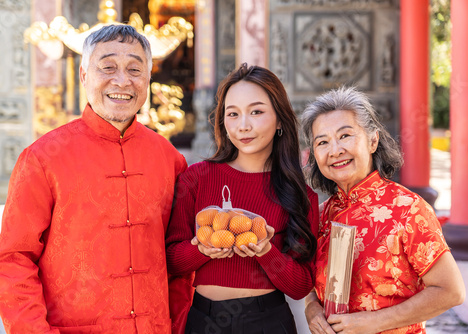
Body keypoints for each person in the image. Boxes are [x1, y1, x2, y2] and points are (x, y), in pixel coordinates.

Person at [0, 24, 187, 333]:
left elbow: (180, 261)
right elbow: (14, 260)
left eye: (135, 69)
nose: (122, 80)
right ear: (84, 75)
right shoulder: (43, 158)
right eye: (107, 67)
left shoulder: (169, 158)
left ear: (148, 79)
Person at [166, 63, 319, 334]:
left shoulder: (298, 195)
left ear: (280, 119)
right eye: (233, 114)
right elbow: (171, 261)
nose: (243, 126)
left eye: (256, 112)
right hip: (203, 321)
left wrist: (266, 251)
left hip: (268, 321)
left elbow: (300, 286)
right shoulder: (196, 178)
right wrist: (201, 249)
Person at [300, 86, 466, 334]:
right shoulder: (321, 215)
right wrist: (312, 310)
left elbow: (451, 291)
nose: (335, 150)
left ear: (373, 140)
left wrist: (374, 322)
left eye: (345, 136)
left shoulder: (408, 209)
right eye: (322, 142)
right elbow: (311, 285)